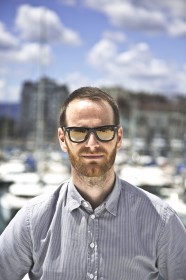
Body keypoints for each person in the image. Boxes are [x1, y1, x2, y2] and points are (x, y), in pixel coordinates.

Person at [0, 86, 186, 280]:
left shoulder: (161, 221)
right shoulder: (32, 220)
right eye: (79, 132)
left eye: (104, 131)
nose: (92, 144)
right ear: (63, 140)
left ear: (118, 138)